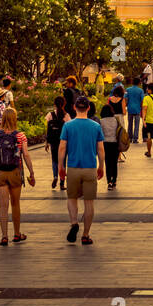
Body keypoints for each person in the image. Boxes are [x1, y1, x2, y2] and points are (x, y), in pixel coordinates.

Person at [59, 96, 104, 245]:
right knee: (89, 203)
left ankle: (74, 223)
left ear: (74, 108)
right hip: (90, 167)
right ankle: (85, 235)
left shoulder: (68, 126)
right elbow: (101, 149)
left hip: (72, 167)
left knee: (72, 198)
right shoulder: (95, 126)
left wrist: (60, 166)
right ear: (89, 108)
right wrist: (101, 166)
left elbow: (62, 147)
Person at [0, 108, 35, 245]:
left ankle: (4, 236)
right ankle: (16, 234)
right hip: (15, 171)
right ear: (15, 119)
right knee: (15, 204)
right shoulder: (20, 136)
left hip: (0, 171)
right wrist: (31, 172)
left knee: (3, 206)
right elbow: (25, 154)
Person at [45, 95, 69, 192]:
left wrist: (47, 142)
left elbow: (47, 130)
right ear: (64, 104)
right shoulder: (66, 116)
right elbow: (69, 130)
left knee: (54, 161)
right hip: (63, 142)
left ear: (54, 104)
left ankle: (55, 176)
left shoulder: (50, 115)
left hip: (53, 142)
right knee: (62, 162)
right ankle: (62, 183)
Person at [101, 86, 122, 190]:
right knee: (114, 163)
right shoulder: (116, 120)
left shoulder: (101, 121)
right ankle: (114, 181)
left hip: (105, 144)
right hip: (115, 144)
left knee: (107, 163)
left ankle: (109, 181)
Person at [125, 77, 145, 146]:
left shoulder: (128, 89)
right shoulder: (141, 90)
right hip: (137, 109)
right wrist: (142, 108)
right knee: (137, 124)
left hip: (130, 108)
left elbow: (126, 99)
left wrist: (126, 105)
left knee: (130, 124)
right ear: (139, 83)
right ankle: (135, 139)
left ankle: (130, 138)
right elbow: (142, 100)